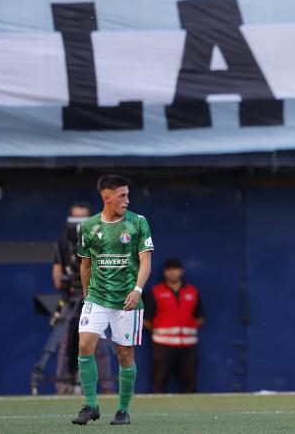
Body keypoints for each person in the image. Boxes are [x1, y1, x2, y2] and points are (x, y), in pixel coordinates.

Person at [72, 174, 154, 426]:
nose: (127, 200)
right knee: (84, 344)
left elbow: (146, 261)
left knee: (124, 355)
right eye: (122, 196)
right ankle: (90, 405)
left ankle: (123, 410)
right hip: (97, 296)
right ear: (106, 197)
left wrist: (138, 290)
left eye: (128, 195)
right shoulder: (88, 227)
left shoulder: (138, 222)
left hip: (127, 299)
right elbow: (85, 265)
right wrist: (86, 295)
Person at [53, 203, 114, 395]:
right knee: (66, 343)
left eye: (84, 220)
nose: (80, 225)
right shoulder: (63, 243)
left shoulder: (100, 239)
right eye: (76, 220)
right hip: (71, 297)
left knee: (100, 343)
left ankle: (106, 388)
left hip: (95, 296)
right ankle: (63, 387)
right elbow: (58, 278)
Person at [144, 258, 206, 393]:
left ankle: (191, 406)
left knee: (190, 383)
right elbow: (146, 319)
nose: (172, 272)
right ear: (165, 272)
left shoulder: (192, 291)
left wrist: (189, 327)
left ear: (181, 271)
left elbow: (200, 317)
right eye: (169, 269)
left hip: (188, 345)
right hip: (163, 345)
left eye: (175, 269)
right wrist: (160, 332)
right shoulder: (155, 292)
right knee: (160, 382)